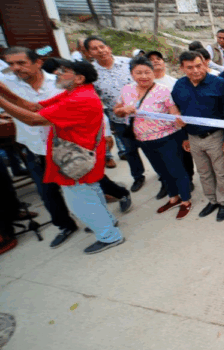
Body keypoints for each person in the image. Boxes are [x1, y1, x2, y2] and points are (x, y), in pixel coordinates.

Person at [0, 59, 125, 254]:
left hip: (75, 159)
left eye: (64, 71)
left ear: (79, 78)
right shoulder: (74, 93)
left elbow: (33, 120)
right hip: (80, 155)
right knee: (91, 193)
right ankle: (107, 223)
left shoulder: (78, 99)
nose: (57, 73)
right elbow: (32, 107)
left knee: (80, 201)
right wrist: (3, 91)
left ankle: (109, 236)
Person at [0, 48, 82, 248]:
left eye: (21, 63)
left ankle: (95, 219)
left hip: (66, 145)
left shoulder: (60, 81)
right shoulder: (8, 86)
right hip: (35, 149)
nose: (16, 68)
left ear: (38, 62)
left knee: (81, 188)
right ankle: (65, 225)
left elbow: (82, 106)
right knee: (47, 192)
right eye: (11, 64)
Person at [115, 57, 191, 219]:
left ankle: (185, 200)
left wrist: (179, 119)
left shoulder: (162, 90)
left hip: (168, 138)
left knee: (176, 169)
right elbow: (117, 110)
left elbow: (173, 110)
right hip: (143, 140)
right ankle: (173, 197)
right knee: (161, 171)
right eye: (139, 73)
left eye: (147, 72)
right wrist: (123, 110)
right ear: (131, 74)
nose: (144, 76)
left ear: (153, 73)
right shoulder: (126, 90)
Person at [172, 51, 224, 221]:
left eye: (199, 65)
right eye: (190, 67)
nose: (195, 70)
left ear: (205, 64)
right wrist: (185, 136)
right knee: (204, 172)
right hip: (193, 137)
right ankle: (212, 200)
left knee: (221, 172)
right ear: (182, 68)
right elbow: (179, 113)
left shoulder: (218, 84)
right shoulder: (179, 86)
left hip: (216, 136)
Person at [85, 36, 147, 193]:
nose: (100, 51)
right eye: (94, 48)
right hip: (118, 118)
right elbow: (95, 99)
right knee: (129, 149)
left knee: (150, 148)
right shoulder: (91, 73)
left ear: (109, 48)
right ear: (89, 53)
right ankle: (138, 176)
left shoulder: (127, 63)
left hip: (142, 115)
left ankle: (162, 176)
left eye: (102, 46)